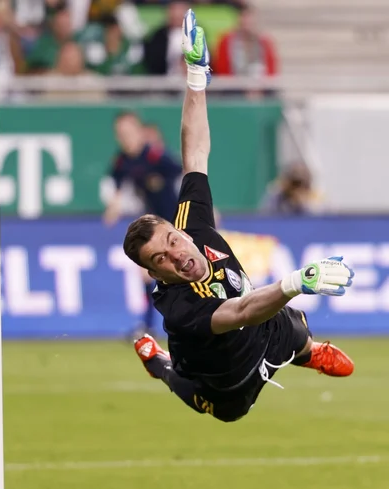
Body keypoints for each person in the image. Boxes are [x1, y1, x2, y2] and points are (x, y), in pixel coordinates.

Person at [123, 10, 355, 423]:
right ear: (157, 276)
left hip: (265, 330)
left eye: (172, 241)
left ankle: (307, 353)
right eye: (161, 260)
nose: (175, 255)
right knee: (200, 396)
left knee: (294, 329)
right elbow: (242, 312)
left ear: (179, 231)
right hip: (228, 379)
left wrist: (196, 77)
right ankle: (157, 362)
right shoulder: (178, 307)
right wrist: (295, 281)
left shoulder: (192, 223)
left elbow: (195, 153)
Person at [104, 112, 182, 338]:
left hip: (177, 221)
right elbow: (118, 184)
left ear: (139, 131)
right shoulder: (122, 161)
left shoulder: (155, 155)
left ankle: (179, 323)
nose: (125, 138)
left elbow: (183, 174)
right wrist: (114, 208)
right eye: (121, 134)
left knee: (173, 273)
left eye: (129, 132)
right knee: (149, 274)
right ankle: (148, 326)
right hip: (155, 224)